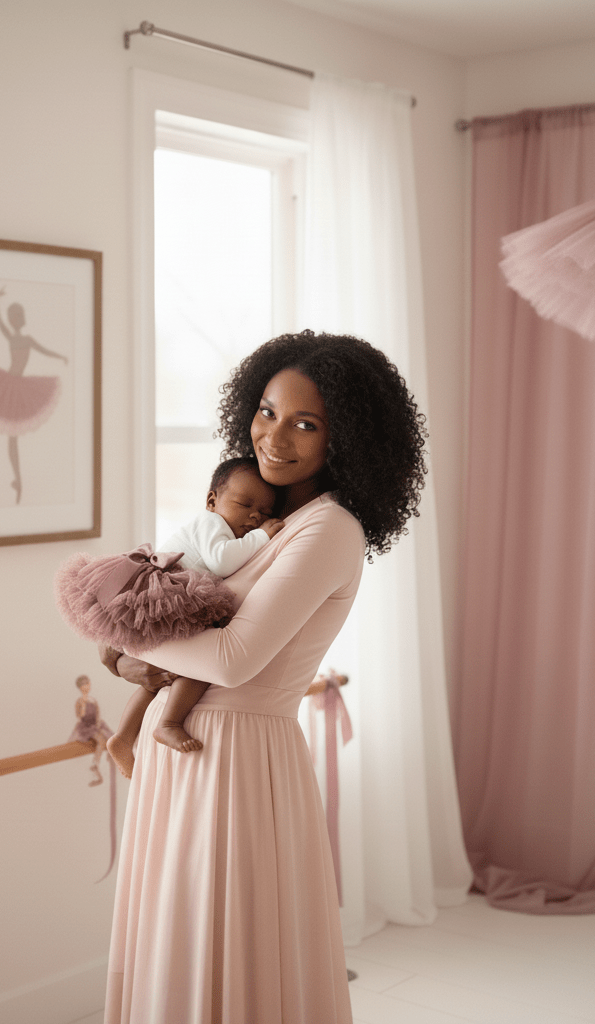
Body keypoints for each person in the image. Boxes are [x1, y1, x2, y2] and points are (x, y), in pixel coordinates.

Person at [99, 330, 427, 1024]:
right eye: (268, 412)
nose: (276, 437)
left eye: (306, 423)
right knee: (178, 941)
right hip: (185, 751)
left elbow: (230, 658)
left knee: (226, 949)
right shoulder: (266, 517)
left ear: (347, 438)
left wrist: (126, 637)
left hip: (236, 757)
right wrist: (143, 648)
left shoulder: (329, 529)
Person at [56, 458, 285, 777]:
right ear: (211, 501)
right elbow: (221, 563)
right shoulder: (212, 524)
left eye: (263, 513)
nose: (253, 516)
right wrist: (262, 536)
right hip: (167, 594)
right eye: (245, 505)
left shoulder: (228, 531)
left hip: (171, 595)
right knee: (200, 665)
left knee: (164, 676)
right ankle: (168, 723)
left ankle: (123, 737)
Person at [0, 289, 68, 503]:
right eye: (13, 317)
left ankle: (18, 481)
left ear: (20, 318)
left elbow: (44, 350)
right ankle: (18, 481)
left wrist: (60, 356)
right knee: (12, 437)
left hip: (17, 387)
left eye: (17, 316)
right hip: (10, 384)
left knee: (13, 437)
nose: (14, 320)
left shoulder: (24, 339)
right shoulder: (15, 338)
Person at [67, 675, 114, 786]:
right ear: (80, 688)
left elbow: (97, 714)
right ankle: (95, 766)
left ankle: (108, 758)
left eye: (87, 684)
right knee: (101, 740)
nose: (86, 687)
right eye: (83, 685)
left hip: (95, 725)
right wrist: (83, 703)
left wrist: (98, 725)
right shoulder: (80, 701)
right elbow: (80, 716)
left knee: (109, 736)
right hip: (86, 727)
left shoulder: (93, 700)